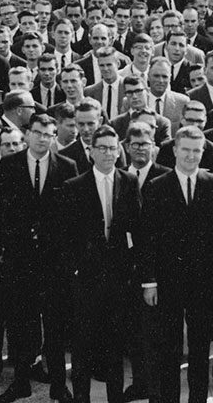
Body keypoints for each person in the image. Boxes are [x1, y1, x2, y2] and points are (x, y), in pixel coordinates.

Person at [136, 127, 213, 403]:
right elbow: (148, 239)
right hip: (167, 282)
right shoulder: (157, 186)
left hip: (204, 281)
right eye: (186, 149)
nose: (191, 156)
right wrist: (149, 281)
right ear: (175, 150)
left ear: (203, 152)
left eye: (196, 150)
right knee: (169, 347)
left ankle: (198, 399)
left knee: (201, 347)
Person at [0, 112, 78, 403]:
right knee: (20, 324)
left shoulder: (67, 166)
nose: (43, 138)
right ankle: (20, 383)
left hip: (54, 262)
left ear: (54, 137)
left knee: (55, 325)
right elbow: (1, 212)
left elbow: (70, 217)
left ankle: (57, 385)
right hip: (19, 260)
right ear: (28, 133)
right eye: (38, 132)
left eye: (49, 134)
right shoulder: (8, 165)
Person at [58, 127, 139, 403]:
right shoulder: (75, 186)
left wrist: (130, 268)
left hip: (118, 278)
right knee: (83, 346)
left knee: (115, 347)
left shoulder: (129, 182)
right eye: (101, 147)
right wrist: (76, 271)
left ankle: (115, 398)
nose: (107, 153)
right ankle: (82, 398)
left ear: (119, 151)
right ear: (91, 151)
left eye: (112, 147)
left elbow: (137, 229)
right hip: (86, 279)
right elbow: (66, 237)